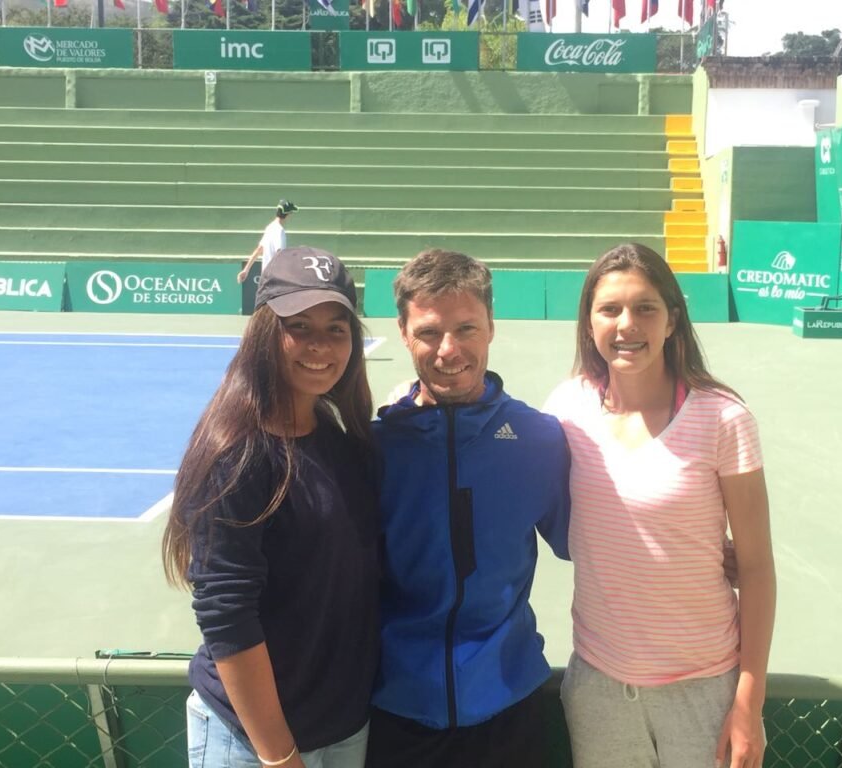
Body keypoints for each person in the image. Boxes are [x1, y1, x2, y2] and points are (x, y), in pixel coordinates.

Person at [543, 243, 776, 768]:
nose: (627, 324)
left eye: (646, 307)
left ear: (672, 320)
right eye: (610, 309)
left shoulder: (724, 419)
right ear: (588, 323)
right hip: (599, 690)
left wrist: (748, 703)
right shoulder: (565, 410)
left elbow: (757, 567)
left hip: (705, 693)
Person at [162, 246, 380, 768]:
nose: (320, 346)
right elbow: (227, 617)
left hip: (343, 728)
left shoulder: (336, 435)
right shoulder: (238, 453)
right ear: (264, 332)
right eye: (298, 326)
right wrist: (280, 757)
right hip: (256, 743)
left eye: (336, 328)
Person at [365, 249, 571, 768]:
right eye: (430, 332)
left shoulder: (538, 439)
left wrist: (704, 547)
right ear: (404, 333)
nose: (449, 350)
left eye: (466, 328)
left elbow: (589, 540)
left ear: (492, 327)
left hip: (509, 706)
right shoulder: (375, 447)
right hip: (396, 711)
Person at [238, 199, 298, 283]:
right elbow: (280, 253)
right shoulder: (280, 230)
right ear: (288, 214)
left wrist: (246, 270)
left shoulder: (270, 227)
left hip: (265, 277)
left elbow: (259, 249)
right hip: (274, 278)